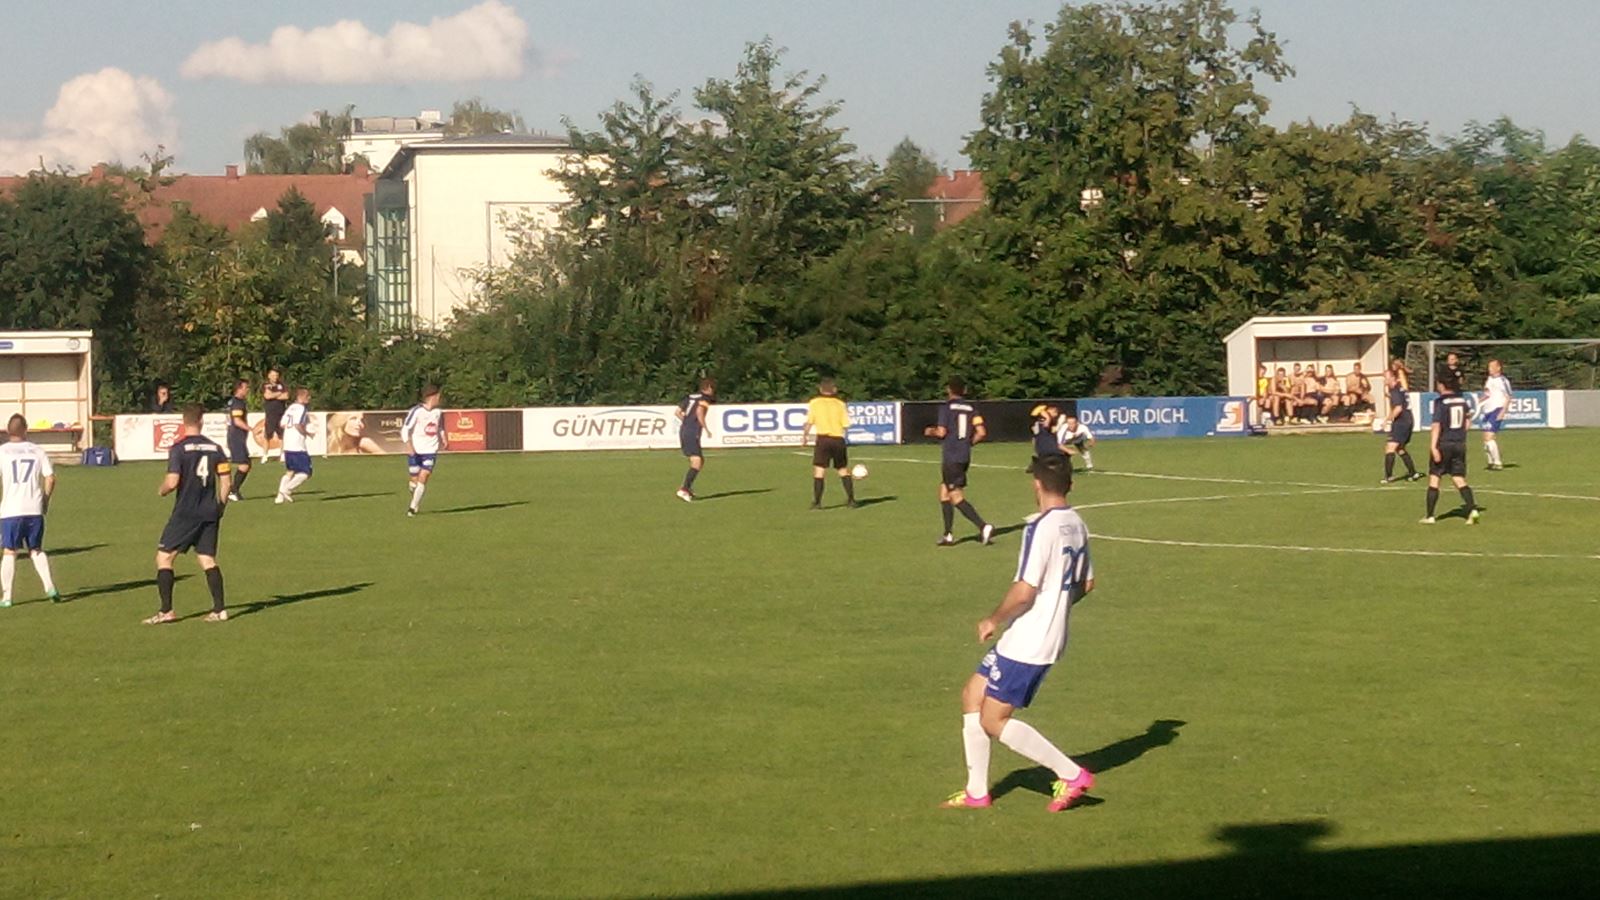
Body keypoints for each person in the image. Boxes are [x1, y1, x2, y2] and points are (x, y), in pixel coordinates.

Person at [941, 454, 1096, 812]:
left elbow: (1025, 591)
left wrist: (993, 619)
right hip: (1034, 634)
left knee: (992, 720)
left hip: (1029, 640)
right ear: (1070, 484)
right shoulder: (1077, 523)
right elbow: (1087, 583)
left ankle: (1072, 774)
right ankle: (976, 792)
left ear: (1036, 485)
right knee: (972, 694)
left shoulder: (1040, 527)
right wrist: (1057, 608)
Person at [145, 405, 230, 624]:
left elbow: (172, 482)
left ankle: (166, 611)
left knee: (164, 557)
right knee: (207, 558)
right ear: (201, 421)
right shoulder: (215, 448)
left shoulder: (179, 448)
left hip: (186, 512)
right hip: (209, 511)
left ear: (183, 422)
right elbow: (226, 482)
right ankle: (220, 610)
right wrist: (220, 506)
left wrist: (162, 490)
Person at [925, 377, 993, 547]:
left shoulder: (946, 408)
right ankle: (948, 534)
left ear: (949, 390)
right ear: (964, 390)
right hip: (964, 456)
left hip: (951, 457)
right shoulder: (972, 409)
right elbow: (981, 432)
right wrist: (969, 443)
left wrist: (930, 431)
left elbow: (941, 432)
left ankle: (983, 526)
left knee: (955, 496)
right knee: (944, 492)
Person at [0, 415, 60, 606]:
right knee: (36, 549)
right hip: (34, 508)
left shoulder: (2, 451)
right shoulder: (37, 450)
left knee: (9, 551)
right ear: (25, 430)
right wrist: (45, 501)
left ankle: (7, 597)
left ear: (8, 431)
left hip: (11, 510)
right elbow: (50, 478)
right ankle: (50, 587)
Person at [1421, 376, 1480, 525]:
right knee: (1458, 478)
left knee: (1435, 477)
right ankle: (1472, 509)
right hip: (1459, 444)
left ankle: (1430, 516)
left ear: (1442, 385)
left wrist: (1433, 446)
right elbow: (1468, 420)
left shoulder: (1440, 402)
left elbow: (1436, 425)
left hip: (1444, 444)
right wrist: (1460, 434)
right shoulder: (1462, 401)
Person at [800, 378, 857, 509]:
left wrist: (805, 436)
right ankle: (851, 500)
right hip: (838, 439)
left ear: (821, 389)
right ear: (834, 390)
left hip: (823, 439)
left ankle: (817, 502)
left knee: (819, 470)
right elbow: (846, 424)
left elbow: (809, 422)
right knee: (842, 469)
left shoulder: (815, 403)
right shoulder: (840, 404)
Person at [401, 385, 448, 517]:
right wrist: (408, 445)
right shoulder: (417, 411)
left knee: (424, 475)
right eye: (438, 396)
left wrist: (444, 438)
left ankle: (412, 507)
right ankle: (415, 496)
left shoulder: (438, 412)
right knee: (414, 481)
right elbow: (405, 429)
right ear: (431, 397)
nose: (439, 399)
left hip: (430, 450)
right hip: (416, 450)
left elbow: (440, 427)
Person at [1380, 362, 1421, 484]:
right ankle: (1413, 473)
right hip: (1408, 420)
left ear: (1393, 378)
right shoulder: (1401, 388)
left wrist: (1387, 420)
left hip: (1401, 422)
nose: (1384, 380)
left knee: (1390, 448)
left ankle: (1388, 477)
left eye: (1386, 377)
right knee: (1400, 448)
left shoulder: (1395, 391)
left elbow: (1398, 408)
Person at [675, 379, 715, 503]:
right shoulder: (705, 399)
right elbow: (699, 412)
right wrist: (705, 428)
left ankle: (687, 488)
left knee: (698, 460)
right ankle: (684, 489)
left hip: (685, 430)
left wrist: (687, 422)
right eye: (713, 388)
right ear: (708, 388)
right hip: (692, 432)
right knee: (697, 461)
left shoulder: (690, 397)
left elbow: (677, 412)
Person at [275, 388, 315, 504]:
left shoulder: (290, 408)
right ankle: (287, 489)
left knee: (290, 471)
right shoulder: (302, 408)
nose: (309, 398)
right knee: (306, 472)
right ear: (301, 397)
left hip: (288, 444)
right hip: (297, 445)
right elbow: (298, 424)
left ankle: (279, 497)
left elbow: (282, 424)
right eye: (307, 396)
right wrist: (307, 433)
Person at [1479, 359, 1512, 471]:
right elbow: (1487, 393)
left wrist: (1503, 411)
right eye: (1489, 367)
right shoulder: (1489, 379)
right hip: (1487, 410)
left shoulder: (1503, 381)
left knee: (1489, 436)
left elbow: (1508, 396)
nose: (1490, 369)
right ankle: (1491, 462)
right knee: (1485, 438)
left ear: (1498, 368)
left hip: (1497, 409)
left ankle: (1498, 462)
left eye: (1492, 367)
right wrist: (1479, 401)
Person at [225, 378, 252, 502]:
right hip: (236, 437)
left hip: (234, 436)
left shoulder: (232, 401)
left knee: (245, 463)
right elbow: (237, 421)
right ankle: (233, 490)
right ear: (239, 388)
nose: (247, 390)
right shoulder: (237, 403)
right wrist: (251, 429)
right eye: (246, 387)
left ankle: (233, 490)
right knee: (245, 464)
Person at [261, 369, 289, 463]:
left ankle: (282, 454)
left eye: (276, 375)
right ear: (269, 376)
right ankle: (265, 455)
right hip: (270, 413)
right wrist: (279, 393)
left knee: (281, 435)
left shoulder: (282, 385)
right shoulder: (266, 385)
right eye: (273, 375)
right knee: (267, 435)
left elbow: (286, 396)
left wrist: (274, 395)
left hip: (281, 413)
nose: (275, 377)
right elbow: (267, 396)